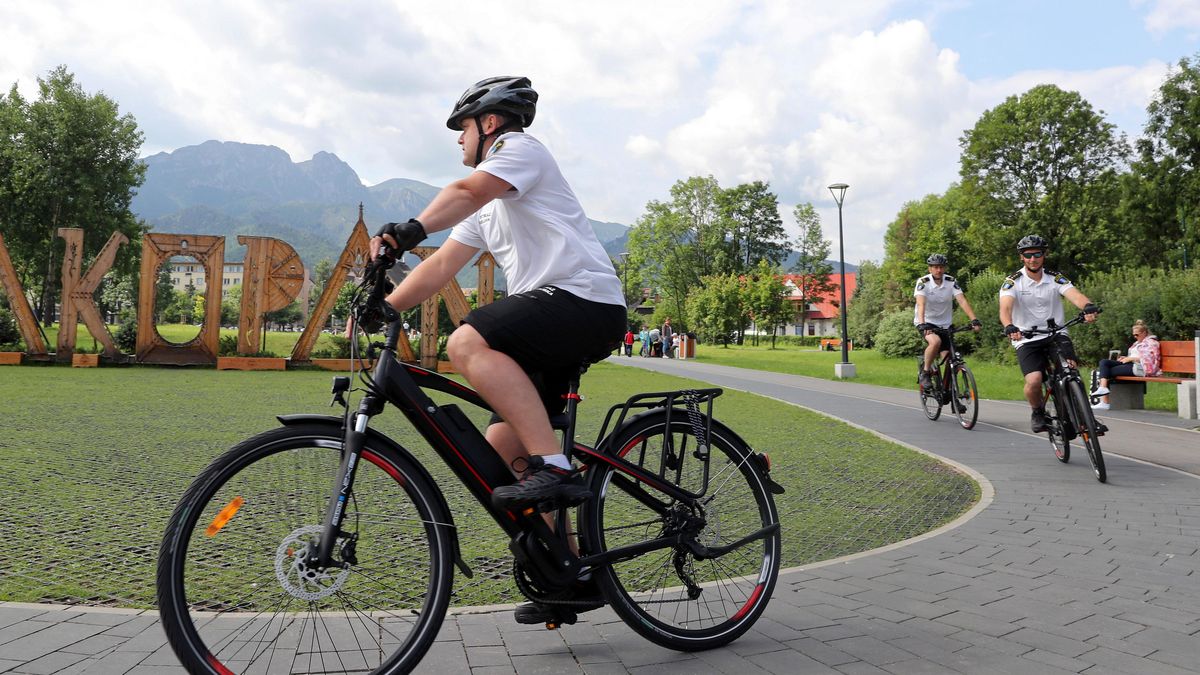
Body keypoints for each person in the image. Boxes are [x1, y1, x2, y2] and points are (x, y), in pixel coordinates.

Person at [370, 76, 625, 622]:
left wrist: (407, 229)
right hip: (553, 318)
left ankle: (556, 466)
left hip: (584, 302)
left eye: (461, 128)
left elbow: (463, 192)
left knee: (467, 340)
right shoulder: (490, 204)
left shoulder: (521, 152)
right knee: (502, 450)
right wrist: (384, 306)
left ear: (489, 124)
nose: (457, 140)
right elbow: (440, 267)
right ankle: (571, 573)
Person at [998, 235, 1099, 433]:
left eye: (1037, 254)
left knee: (1071, 370)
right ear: (1022, 257)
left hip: (1056, 333)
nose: (1033, 259)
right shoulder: (1013, 282)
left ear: (1044, 255)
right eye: (1028, 255)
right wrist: (1010, 326)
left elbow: (1074, 294)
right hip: (1026, 337)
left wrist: (1087, 306)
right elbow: (1005, 309)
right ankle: (1037, 411)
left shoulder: (1054, 278)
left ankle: (1087, 419)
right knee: (1034, 380)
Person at [913, 253, 982, 390]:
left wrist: (973, 319)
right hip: (927, 322)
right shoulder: (923, 282)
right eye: (935, 267)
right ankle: (925, 372)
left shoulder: (951, 281)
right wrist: (922, 324)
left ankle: (950, 393)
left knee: (950, 359)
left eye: (941, 267)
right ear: (930, 269)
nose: (939, 270)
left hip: (946, 324)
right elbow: (921, 304)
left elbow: (962, 300)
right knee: (935, 342)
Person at [1091, 320, 1161, 410]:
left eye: (1137, 334)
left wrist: (1131, 358)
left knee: (1107, 371)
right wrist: (1126, 358)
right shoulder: (1137, 343)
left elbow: (1150, 360)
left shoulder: (1152, 343)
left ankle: (1104, 401)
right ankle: (1103, 388)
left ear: (1144, 333)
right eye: (1134, 335)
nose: (1135, 337)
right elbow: (1134, 355)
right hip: (1130, 364)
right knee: (1104, 362)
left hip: (1139, 368)